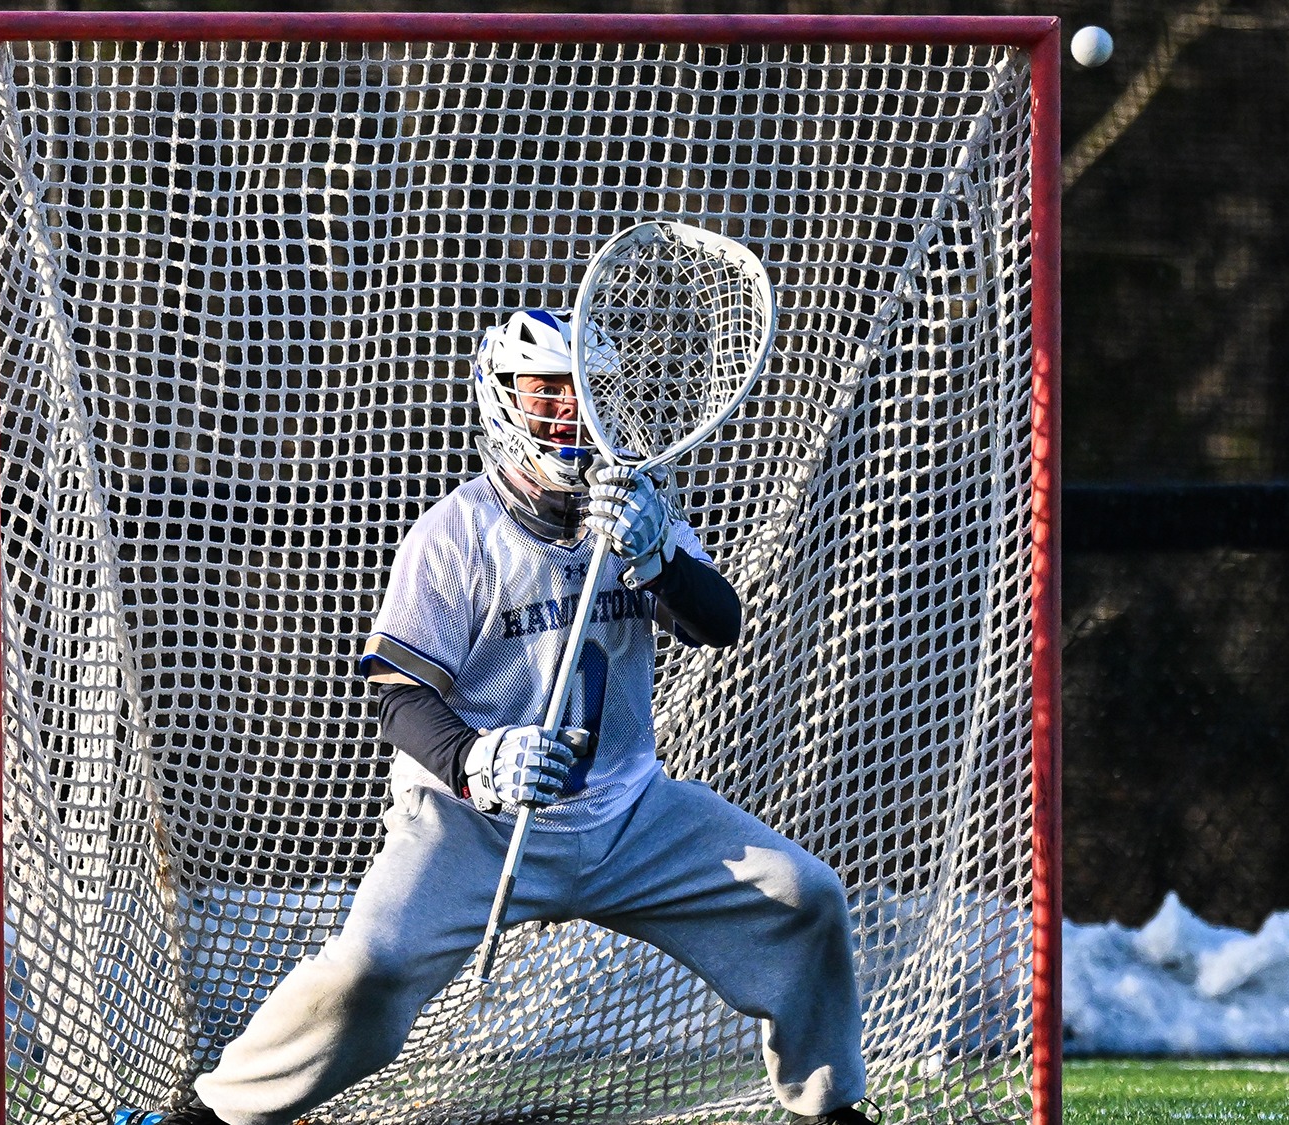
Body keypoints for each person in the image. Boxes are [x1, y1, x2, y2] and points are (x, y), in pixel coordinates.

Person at [122, 310, 870, 1125]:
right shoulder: (457, 531)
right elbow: (398, 694)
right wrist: (476, 759)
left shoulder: (635, 509)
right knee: (368, 970)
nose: (571, 410)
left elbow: (718, 622)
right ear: (501, 397)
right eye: (547, 390)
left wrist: (661, 559)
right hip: (472, 824)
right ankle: (215, 1114)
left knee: (802, 897)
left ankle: (830, 1110)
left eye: (587, 390)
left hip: (627, 812)